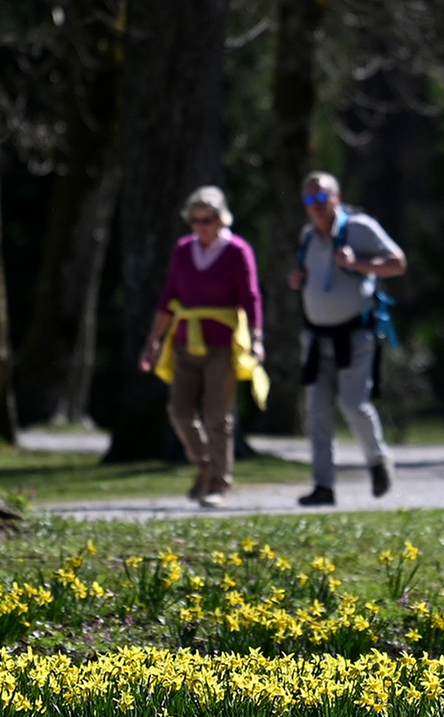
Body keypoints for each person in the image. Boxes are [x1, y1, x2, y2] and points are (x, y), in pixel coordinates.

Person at [138, 186, 269, 508]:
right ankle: (204, 464)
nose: (201, 226)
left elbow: (251, 297)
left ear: (220, 218)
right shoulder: (183, 250)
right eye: (195, 220)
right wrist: (153, 341)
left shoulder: (237, 250)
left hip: (222, 343)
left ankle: (219, 484)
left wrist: (256, 337)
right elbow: (169, 297)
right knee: (179, 412)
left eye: (207, 219)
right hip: (185, 340)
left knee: (216, 416)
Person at [288, 171, 405, 506]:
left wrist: (360, 263)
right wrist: (299, 279)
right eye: (309, 200)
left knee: (354, 403)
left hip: (355, 335)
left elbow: (398, 263)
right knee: (318, 412)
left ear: (336, 198)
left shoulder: (359, 228)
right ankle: (323, 487)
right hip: (315, 337)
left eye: (322, 197)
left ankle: (377, 460)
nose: (316, 205)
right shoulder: (308, 235)